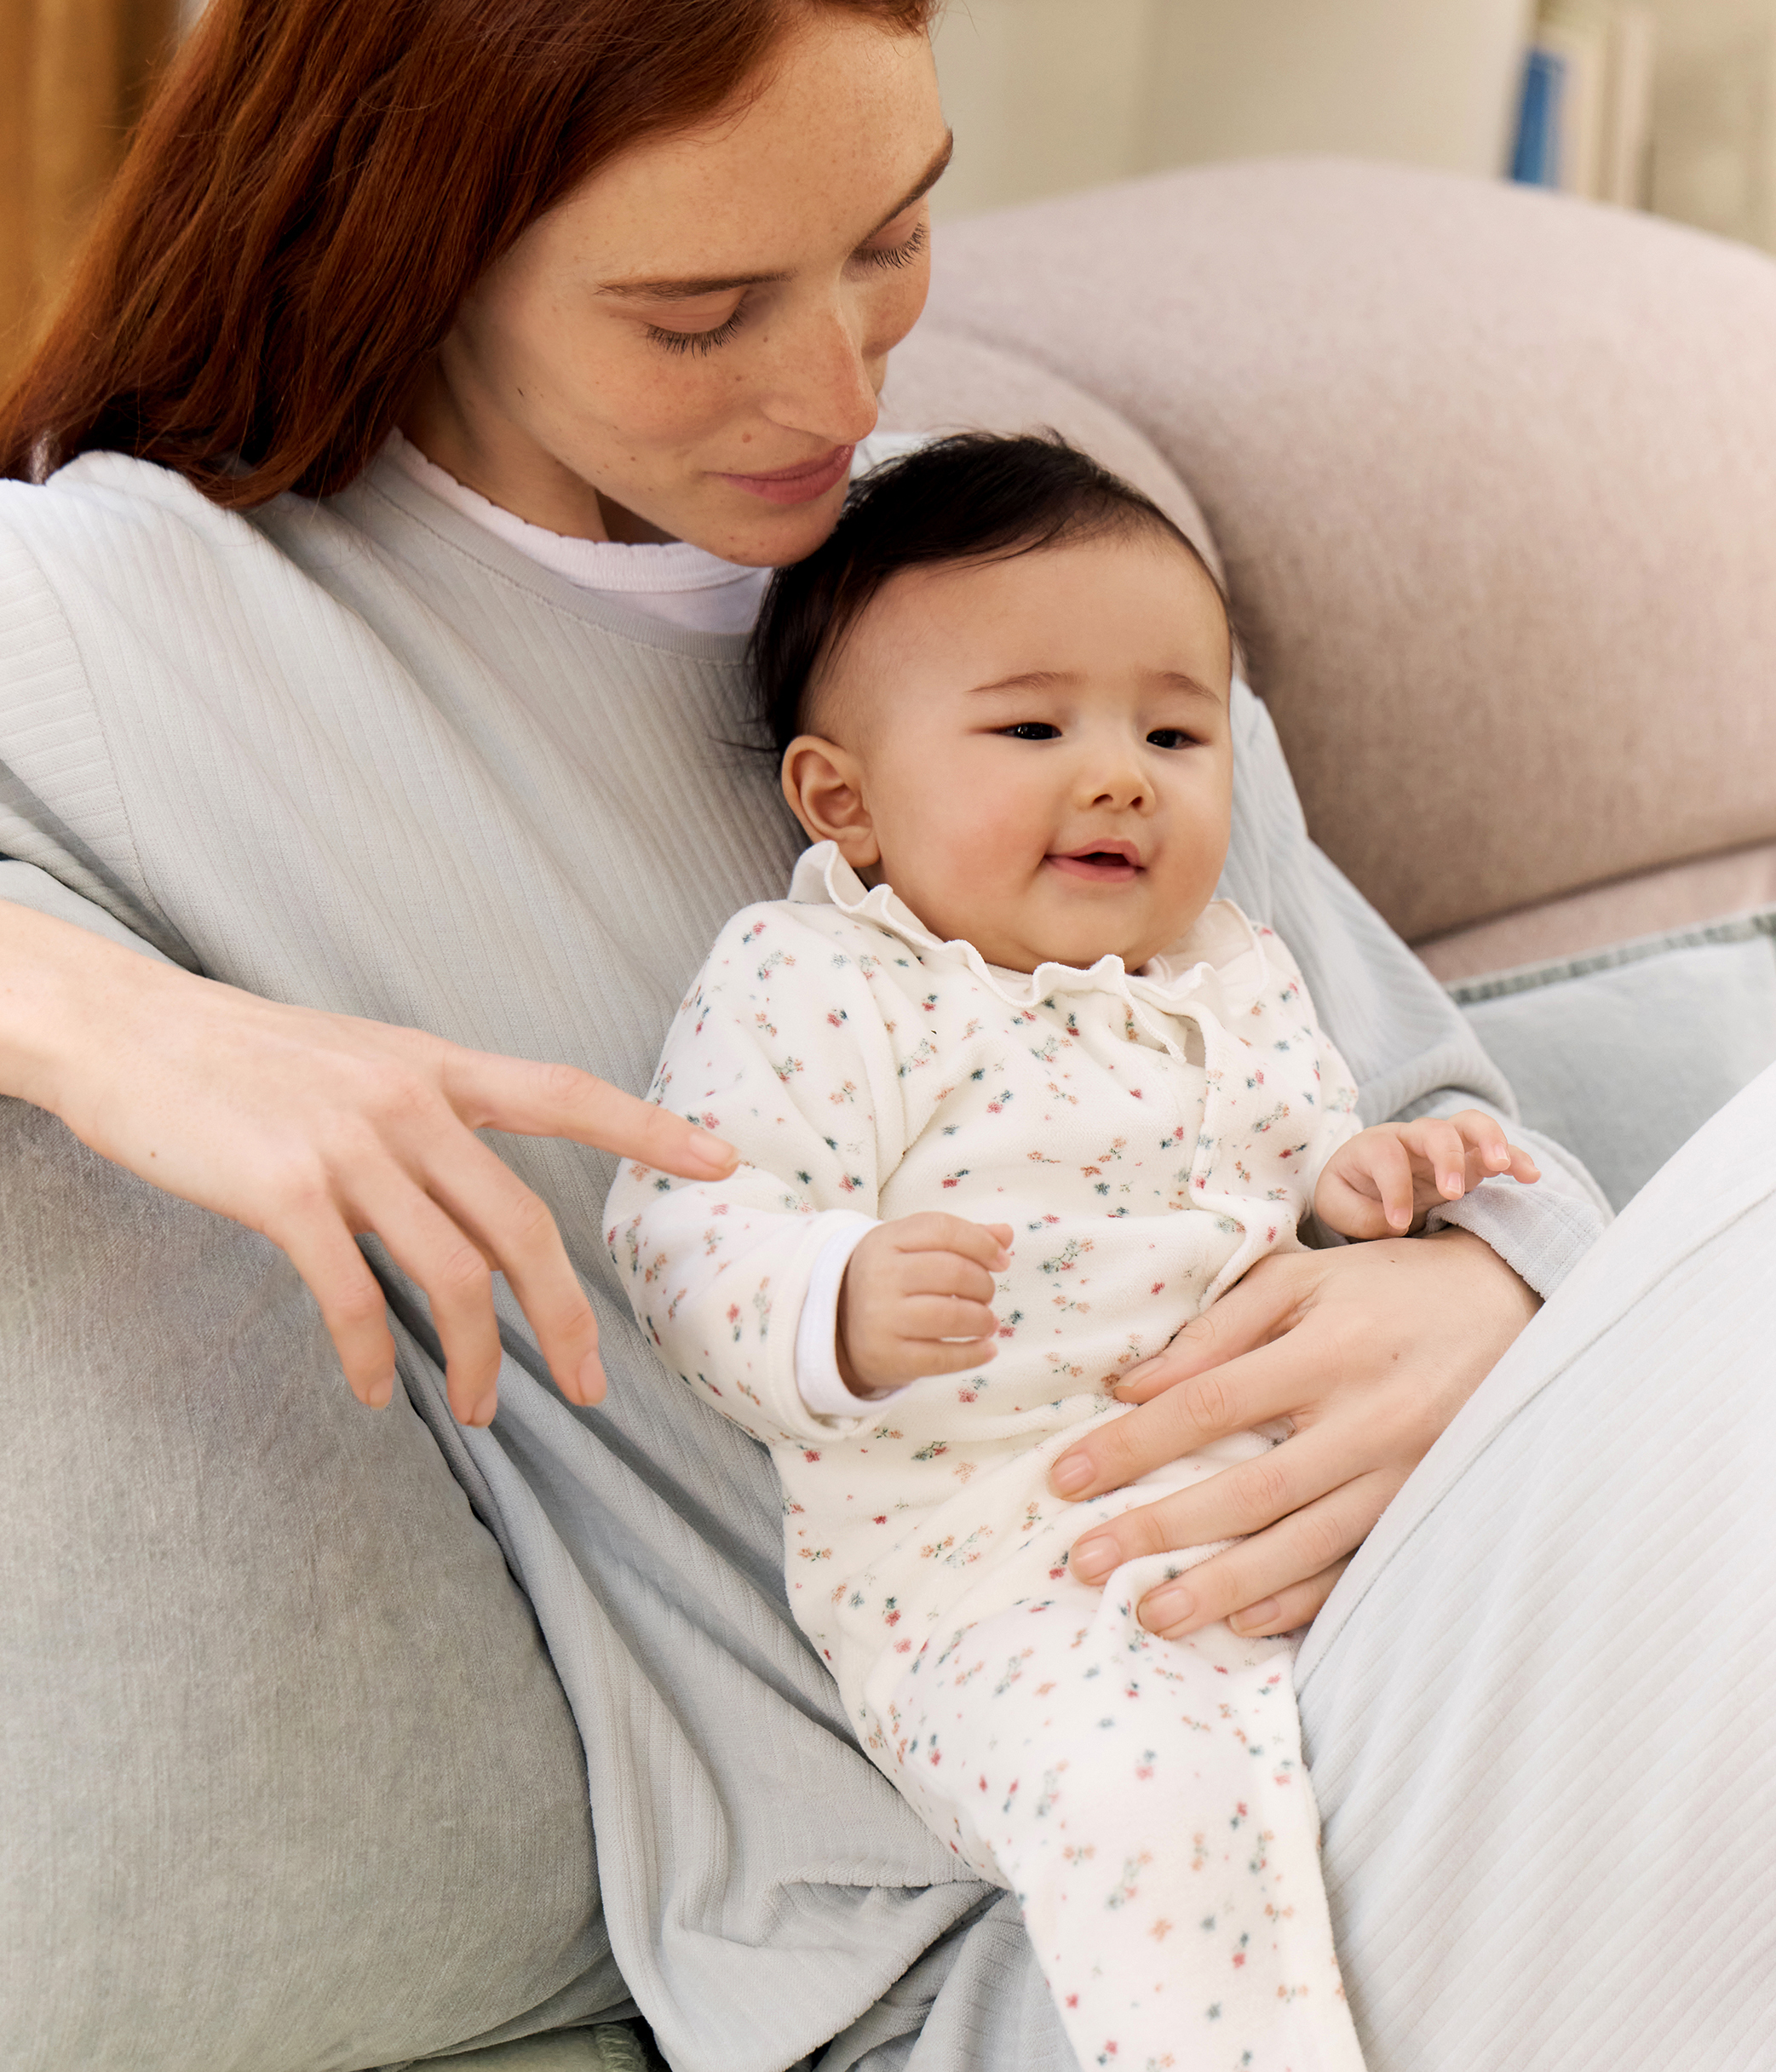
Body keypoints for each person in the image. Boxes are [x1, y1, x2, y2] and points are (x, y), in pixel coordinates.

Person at [3, 0, 1759, 2066]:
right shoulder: (144, 623)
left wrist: (1486, 1277)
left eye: (892, 239)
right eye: (697, 311)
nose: (839, 386)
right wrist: (99, 1015)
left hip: (1417, 1641)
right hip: (1028, 1910)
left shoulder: (1019, 578)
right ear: (415, 233)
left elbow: (1419, 1103)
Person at [606, 432, 1546, 2072]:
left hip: (1302, 1512)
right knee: (1146, 1814)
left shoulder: (1228, 973)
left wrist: (1375, 1173)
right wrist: (833, 1298)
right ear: (846, 801)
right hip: (1002, 1576)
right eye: (1034, 726)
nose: (1119, 772)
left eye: (1173, 732)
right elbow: (684, 1225)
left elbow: (1295, 1160)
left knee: (1525, 1678)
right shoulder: (820, 980)